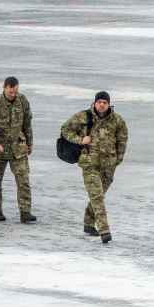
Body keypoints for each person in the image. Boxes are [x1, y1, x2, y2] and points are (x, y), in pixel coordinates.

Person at [60, 92, 127, 243]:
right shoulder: (84, 117)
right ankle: (104, 230)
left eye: (104, 102)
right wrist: (80, 139)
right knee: (97, 196)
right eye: (99, 102)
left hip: (109, 165)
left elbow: (122, 140)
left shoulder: (117, 121)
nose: (101, 104)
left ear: (109, 104)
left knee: (99, 196)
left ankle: (88, 224)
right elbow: (65, 129)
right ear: (95, 103)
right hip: (89, 163)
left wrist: (118, 159)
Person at [0, 76, 35, 223]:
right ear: (4, 88)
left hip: (18, 148)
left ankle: (25, 212)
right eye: (10, 91)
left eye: (15, 91)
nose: (13, 94)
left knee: (23, 180)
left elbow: (27, 124)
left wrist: (29, 143)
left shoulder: (22, 101)